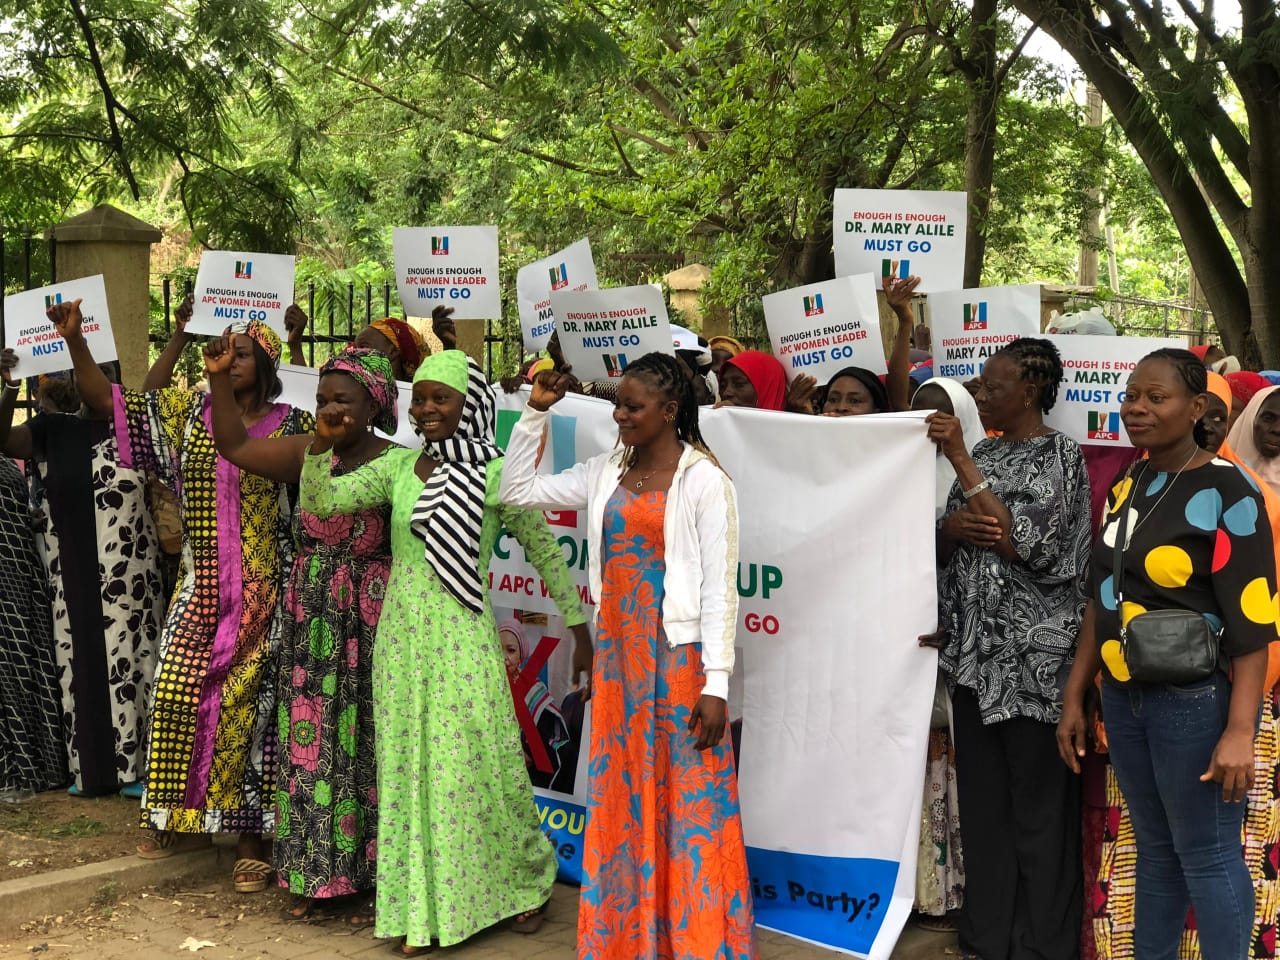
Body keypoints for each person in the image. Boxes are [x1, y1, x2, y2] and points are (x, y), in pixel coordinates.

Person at [300, 349, 589, 955]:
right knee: (409, 770)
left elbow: (541, 549)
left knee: (477, 767)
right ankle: (424, 910)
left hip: (462, 636)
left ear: (471, 404)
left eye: (442, 398)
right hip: (401, 637)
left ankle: (525, 883)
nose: (427, 408)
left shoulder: (496, 473)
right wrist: (319, 448)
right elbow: (322, 504)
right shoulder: (400, 468)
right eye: (420, 397)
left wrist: (580, 626)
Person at [46, 299, 315, 892]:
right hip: (200, 587)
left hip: (267, 587)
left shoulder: (293, 424)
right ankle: (181, 818)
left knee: (253, 711)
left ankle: (253, 836)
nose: (231, 358)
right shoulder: (189, 416)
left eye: (244, 353)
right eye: (224, 351)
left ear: (267, 363)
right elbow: (112, 403)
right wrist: (76, 344)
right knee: (175, 694)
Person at [501, 352, 755, 960]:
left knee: (689, 801)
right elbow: (516, 491)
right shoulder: (605, 470)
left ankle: (694, 943)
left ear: (670, 412)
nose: (619, 416)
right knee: (623, 794)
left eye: (632, 406)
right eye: (616, 403)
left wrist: (716, 684)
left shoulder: (703, 481)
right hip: (618, 663)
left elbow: (722, 587)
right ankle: (628, 939)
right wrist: (535, 416)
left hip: (677, 662)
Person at [1058, 348, 1276, 959]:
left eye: (1157, 397)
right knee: (1155, 850)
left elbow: (1253, 624)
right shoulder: (1132, 482)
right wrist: (1077, 692)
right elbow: (1101, 598)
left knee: (1207, 852)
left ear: (1198, 407)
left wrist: (1239, 731)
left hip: (1194, 701)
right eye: (1131, 395)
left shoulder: (1228, 487)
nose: (1137, 408)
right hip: (1125, 699)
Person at [205, 345, 398, 923]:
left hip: (368, 621)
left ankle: (373, 881)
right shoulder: (307, 452)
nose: (329, 408)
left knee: (365, 744)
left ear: (375, 404)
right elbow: (234, 446)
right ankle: (318, 877)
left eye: (343, 398)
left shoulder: (397, 463)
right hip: (311, 617)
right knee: (313, 747)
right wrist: (217, 381)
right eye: (321, 398)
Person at [928, 337, 1091, 960]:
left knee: (1038, 815)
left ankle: (1044, 945)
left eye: (993, 386)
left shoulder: (1060, 457)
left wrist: (964, 466)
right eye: (980, 384)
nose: (982, 393)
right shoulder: (987, 451)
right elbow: (959, 537)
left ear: (1030, 390)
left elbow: (1029, 545)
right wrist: (949, 528)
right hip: (974, 663)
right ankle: (986, 939)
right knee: (985, 812)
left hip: (1035, 669)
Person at [0, 350, 163, 799]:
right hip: (70, 568)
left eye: (108, 372)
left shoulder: (138, 430)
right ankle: (89, 769)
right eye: (90, 373)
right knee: (79, 664)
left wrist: (182, 338)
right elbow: (4, 440)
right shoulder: (53, 429)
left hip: (130, 575)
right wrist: (11, 386)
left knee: (132, 660)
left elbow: (156, 389)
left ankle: (140, 769)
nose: (99, 381)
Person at [911, 377, 983, 930]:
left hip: (958, 642)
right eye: (918, 412)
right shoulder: (894, 473)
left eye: (942, 415)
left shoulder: (978, 473)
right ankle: (913, 891)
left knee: (950, 769)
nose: (929, 424)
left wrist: (952, 532)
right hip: (904, 639)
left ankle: (953, 889)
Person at [0, 429, 65, 796]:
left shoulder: (5, 454)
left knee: (27, 661)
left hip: (20, 570)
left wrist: (29, 519)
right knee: (8, 669)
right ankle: (15, 768)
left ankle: (41, 763)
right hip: (6, 576)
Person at [499, 619, 575, 792]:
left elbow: (548, 745)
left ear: (521, 654)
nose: (504, 657)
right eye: (498, 648)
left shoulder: (533, 689)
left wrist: (524, 751)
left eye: (511, 650)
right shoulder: (484, 687)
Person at [718, 350, 787, 411]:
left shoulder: (793, 424)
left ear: (767, 388)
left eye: (739, 384)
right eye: (723, 386)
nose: (726, 393)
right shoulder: (717, 422)